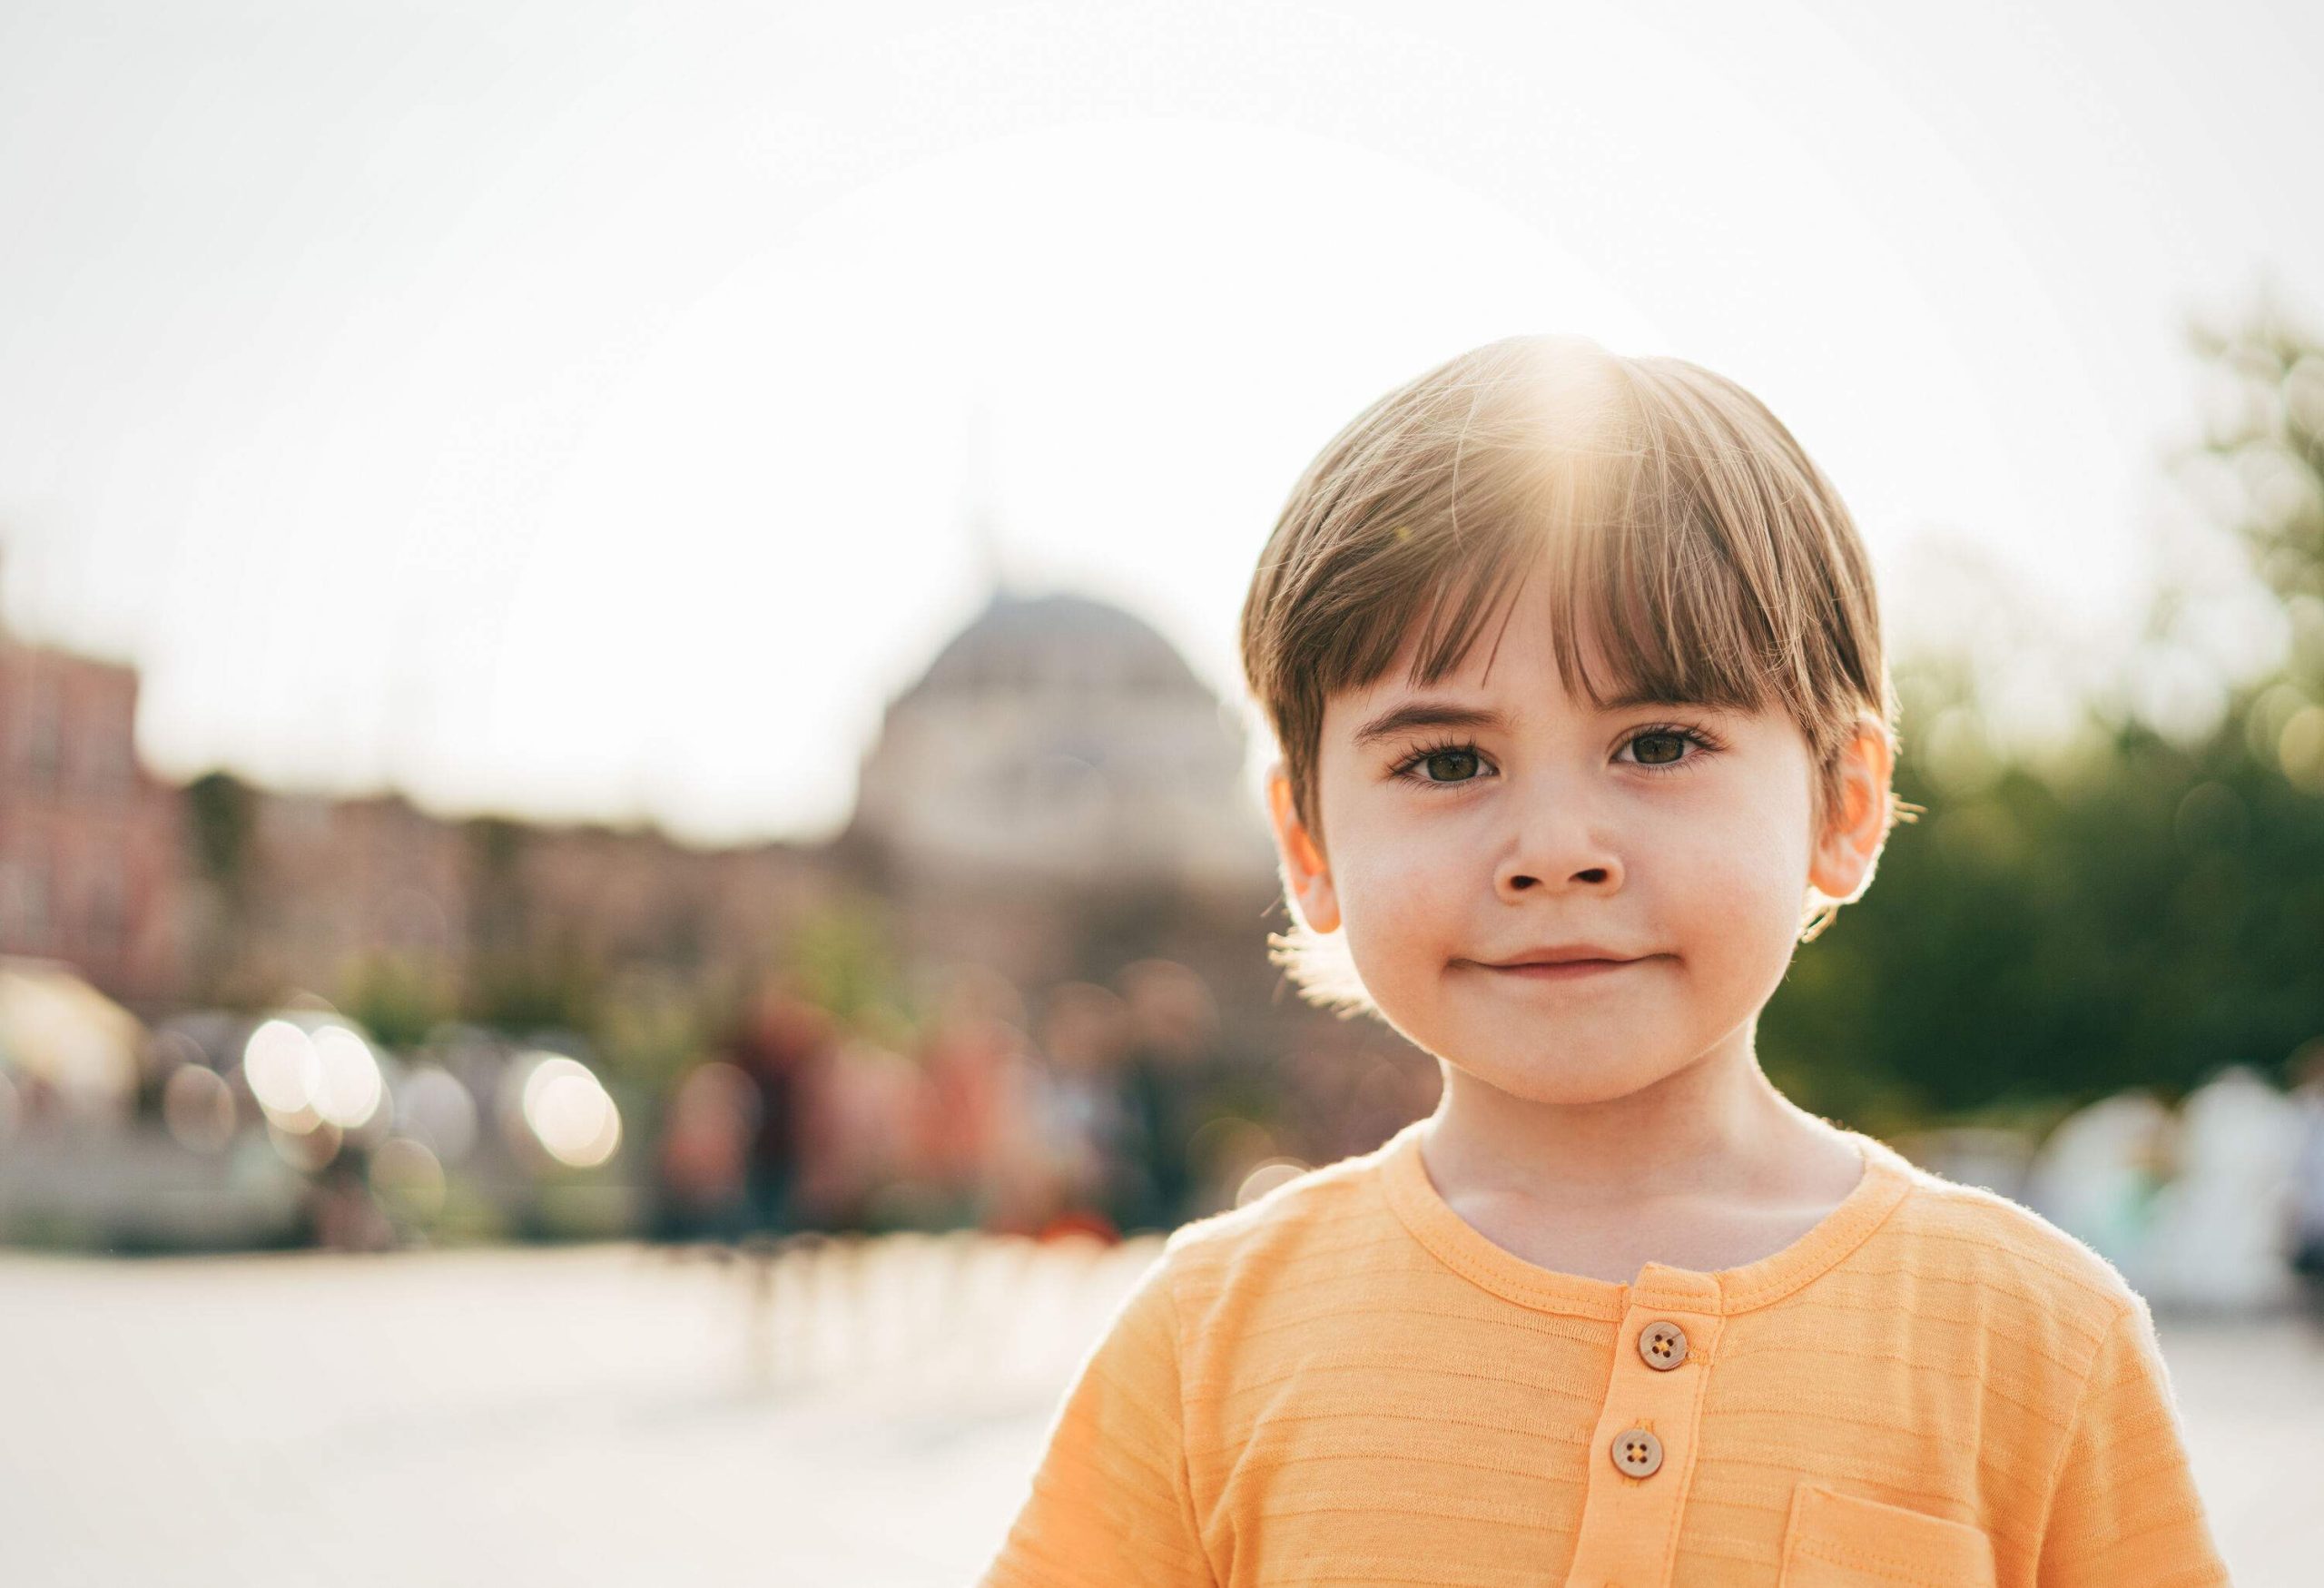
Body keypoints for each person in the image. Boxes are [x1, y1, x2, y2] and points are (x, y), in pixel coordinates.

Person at [977, 335, 2231, 1586]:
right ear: (1308, 844)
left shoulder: (2035, 1338)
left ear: (1842, 805)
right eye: (1448, 761)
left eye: (1660, 741)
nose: (1556, 851)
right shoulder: (1209, 1341)